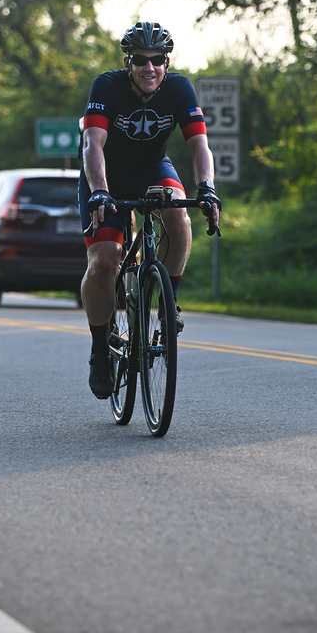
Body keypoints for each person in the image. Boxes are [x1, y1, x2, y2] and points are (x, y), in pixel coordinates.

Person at [79, 21, 221, 399]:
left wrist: (207, 188)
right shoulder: (106, 86)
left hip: (152, 170)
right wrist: (100, 192)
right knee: (104, 261)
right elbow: (93, 144)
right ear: (128, 62)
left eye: (157, 59)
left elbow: (199, 144)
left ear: (166, 62)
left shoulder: (179, 88)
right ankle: (99, 348)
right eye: (141, 60)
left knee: (178, 216)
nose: (150, 67)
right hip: (104, 176)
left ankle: (167, 302)